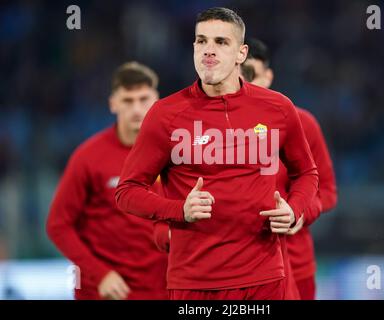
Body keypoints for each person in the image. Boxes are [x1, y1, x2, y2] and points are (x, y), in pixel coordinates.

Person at [115, 7, 319, 300]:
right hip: (195, 284)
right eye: (201, 41)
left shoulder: (278, 108)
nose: (208, 51)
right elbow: (127, 191)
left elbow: (307, 174)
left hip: (265, 280)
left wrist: (294, 208)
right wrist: (178, 210)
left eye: (221, 42)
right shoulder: (165, 115)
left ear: (241, 53)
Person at [46, 62, 169, 300]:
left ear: (157, 101)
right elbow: (58, 225)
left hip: (161, 291)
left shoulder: (174, 156)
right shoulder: (88, 157)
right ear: (113, 104)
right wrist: (99, 274)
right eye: (127, 100)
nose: (136, 109)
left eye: (143, 99)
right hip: (104, 293)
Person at [242, 38, 338, 299]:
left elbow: (327, 191)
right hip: (241, 265)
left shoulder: (302, 124)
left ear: (269, 76)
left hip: (296, 260)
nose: (247, 84)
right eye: (240, 76)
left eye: (253, 75)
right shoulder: (217, 131)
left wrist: (300, 213)